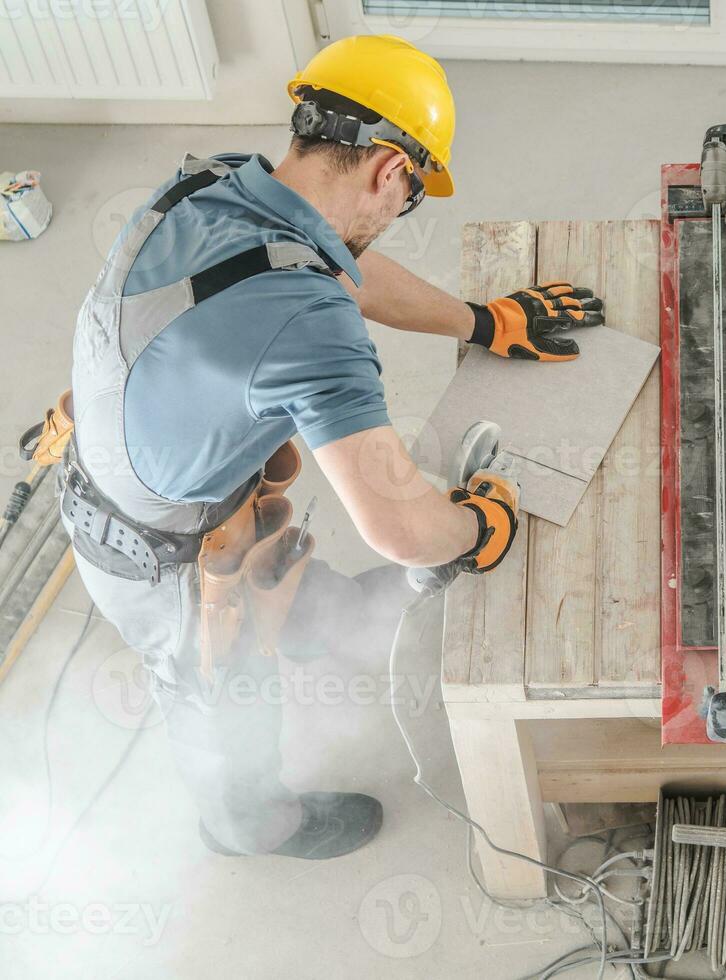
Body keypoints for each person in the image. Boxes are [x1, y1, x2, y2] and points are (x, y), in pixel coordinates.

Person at [36, 34, 604, 860]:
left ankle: (318, 622)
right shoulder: (309, 326)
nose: (397, 212)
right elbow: (402, 528)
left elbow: (334, 267)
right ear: (388, 169)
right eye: (409, 195)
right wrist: (479, 527)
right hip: (157, 563)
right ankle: (249, 826)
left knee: (294, 597)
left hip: (126, 475)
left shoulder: (212, 187)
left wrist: (479, 321)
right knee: (217, 687)